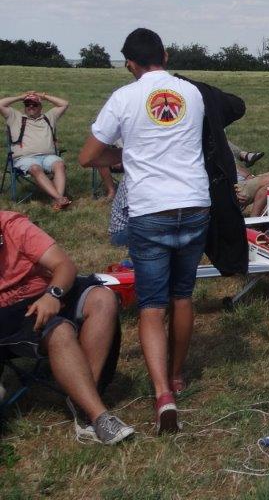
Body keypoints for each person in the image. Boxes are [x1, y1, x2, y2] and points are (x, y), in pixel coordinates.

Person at [78, 28, 237, 435]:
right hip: (195, 204)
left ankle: (163, 393)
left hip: (150, 209)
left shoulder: (123, 97)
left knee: (151, 305)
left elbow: (87, 156)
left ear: (129, 64)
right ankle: (178, 373)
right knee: (183, 295)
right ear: (165, 56)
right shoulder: (192, 93)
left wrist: (126, 155)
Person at [0, 211, 134, 444]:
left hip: (45, 293)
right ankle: (97, 415)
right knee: (59, 330)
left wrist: (53, 294)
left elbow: (64, 265)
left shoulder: (13, 226)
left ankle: (83, 402)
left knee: (103, 299)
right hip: (8, 314)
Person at [1, 91, 71, 210]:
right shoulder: (15, 117)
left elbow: (64, 104)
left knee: (59, 164)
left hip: (48, 157)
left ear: (40, 107)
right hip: (25, 158)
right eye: (28, 104)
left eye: (34, 104)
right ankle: (59, 198)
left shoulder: (49, 117)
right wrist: (20, 97)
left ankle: (58, 200)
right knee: (35, 168)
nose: (31, 106)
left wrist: (44, 96)